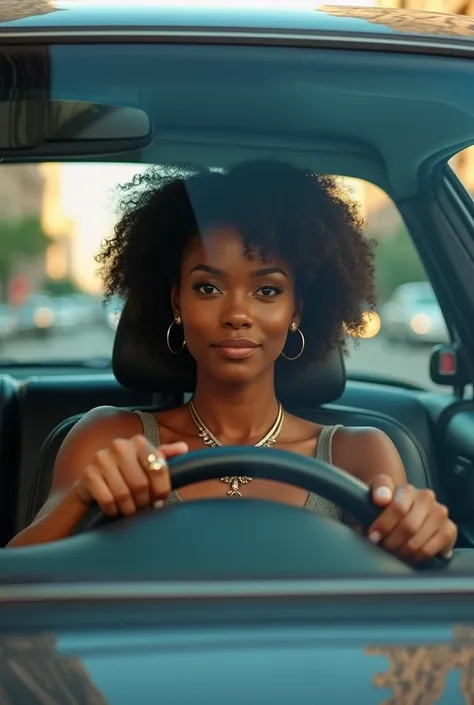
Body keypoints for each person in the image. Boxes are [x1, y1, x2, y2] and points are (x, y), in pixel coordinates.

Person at [8, 161, 457, 562]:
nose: (238, 314)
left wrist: (420, 534)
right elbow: (14, 578)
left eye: (268, 290)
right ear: (177, 301)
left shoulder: (359, 452)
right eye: (208, 288)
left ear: (297, 310)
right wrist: (85, 498)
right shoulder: (105, 439)